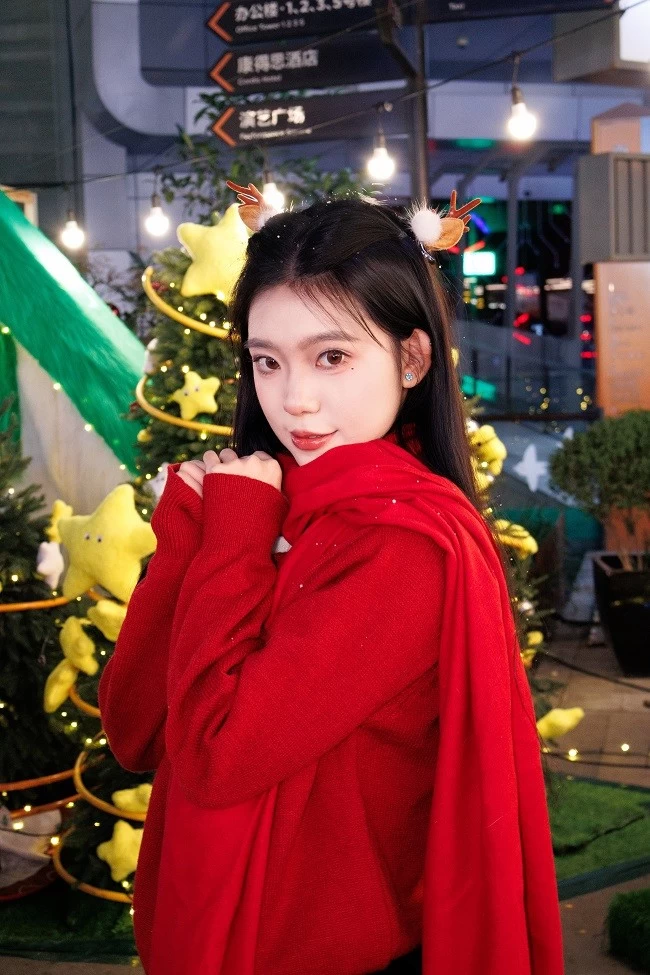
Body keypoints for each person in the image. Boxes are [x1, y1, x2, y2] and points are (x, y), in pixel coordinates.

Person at [98, 188, 564, 975]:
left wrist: (231, 538)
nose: (295, 399)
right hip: (238, 932)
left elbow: (213, 757)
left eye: (333, 356)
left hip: (337, 953)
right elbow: (135, 730)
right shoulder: (271, 500)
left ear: (411, 359)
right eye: (267, 360)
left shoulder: (402, 545)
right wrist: (186, 544)